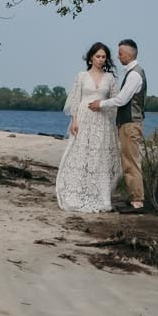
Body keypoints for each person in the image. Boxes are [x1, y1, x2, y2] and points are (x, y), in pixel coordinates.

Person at [57, 43, 121, 213]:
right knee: (80, 153)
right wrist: (74, 120)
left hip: (103, 121)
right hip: (84, 119)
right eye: (98, 56)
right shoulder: (81, 76)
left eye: (103, 57)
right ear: (91, 57)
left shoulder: (110, 78)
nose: (100, 59)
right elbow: (75, 100)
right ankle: (76, 191)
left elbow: (116, 101)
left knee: (99, 156)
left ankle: (100, 195)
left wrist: (104, 108)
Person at [88, 39, 147, 212]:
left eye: (120, 53)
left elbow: (122, 99)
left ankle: (137, 202)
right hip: (128, 123)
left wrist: (101, 104)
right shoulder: (133, 72)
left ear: (128, 55)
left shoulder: (135, 74)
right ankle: (134, 199)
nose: (118, 56)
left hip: (130, 124)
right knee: (128, 161)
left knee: (131, 163)